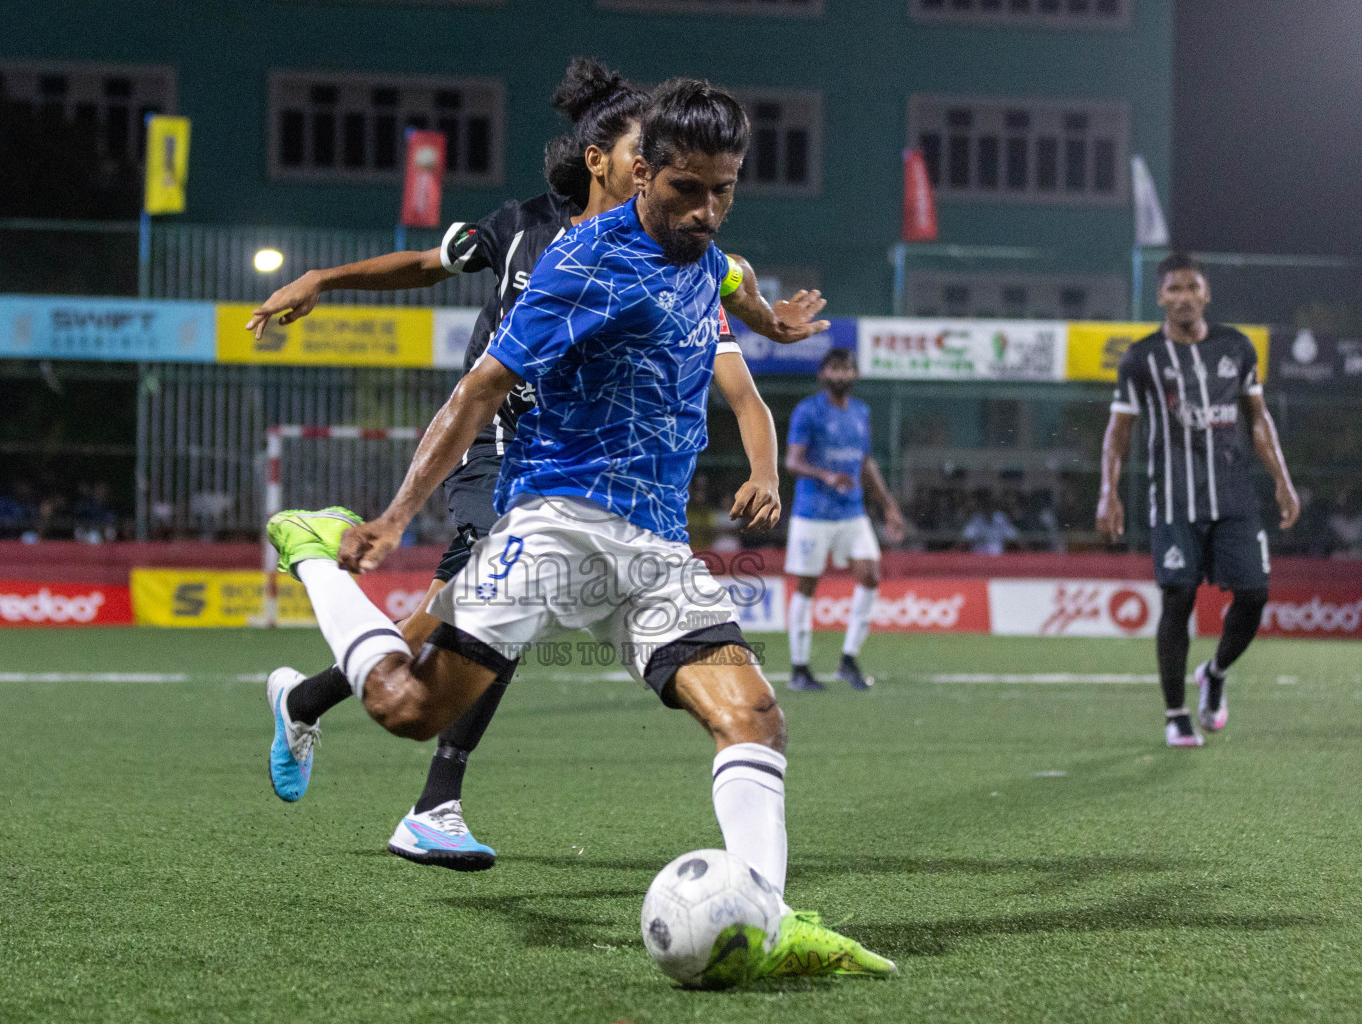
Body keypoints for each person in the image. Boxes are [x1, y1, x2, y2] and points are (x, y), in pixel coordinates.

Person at [261, 78, 896, 979]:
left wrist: (776, 321)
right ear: (643, 172)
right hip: (555, 522)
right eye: (688, 191)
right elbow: (479, 389)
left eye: (725, 190)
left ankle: (768, 917)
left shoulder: (706, 253)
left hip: (655, 547)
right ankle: (317, 556)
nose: (708, 211)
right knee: (404, 707)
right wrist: (396, 515)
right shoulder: (582, 265)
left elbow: (735, 282)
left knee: (754, 718)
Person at [1096, 253, 1300, 748]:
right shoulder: (1140, 358)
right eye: (1173, 289)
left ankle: (1216, 671)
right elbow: (1118, 431)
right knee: (1178, 598)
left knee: (1254, 596)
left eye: (1192, 287)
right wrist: (1109, 490)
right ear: (1160, 297)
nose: (1183, 297)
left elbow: (1258, 418)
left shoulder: (1236, 347)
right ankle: (1176, 713)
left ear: (1206, 293)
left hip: (1234, 498)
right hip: (1173, 501)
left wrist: (1282, 478)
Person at [782, 348, 905, 692]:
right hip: (813, 513)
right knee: (806, 587)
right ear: (823, 374)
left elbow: (866, 463)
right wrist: (826, 475)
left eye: (847, 369)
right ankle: (799, 668)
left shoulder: (861, 413)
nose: (841, 375)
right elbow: (793, 461)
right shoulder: (808, 411)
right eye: (835, 369)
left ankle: (848, 660)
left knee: (870, 576)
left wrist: (889, 506)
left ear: (855, 375)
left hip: (852, 512)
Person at [961, 490, 1018, 555]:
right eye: (985, 506)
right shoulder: (976, 519)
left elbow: (1014, 537)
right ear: (982, 507)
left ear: (993, 506)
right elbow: (966, 538)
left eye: (990, 506)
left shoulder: (1001, 518)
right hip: (979, 554)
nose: (988, 508)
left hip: (997, 554)